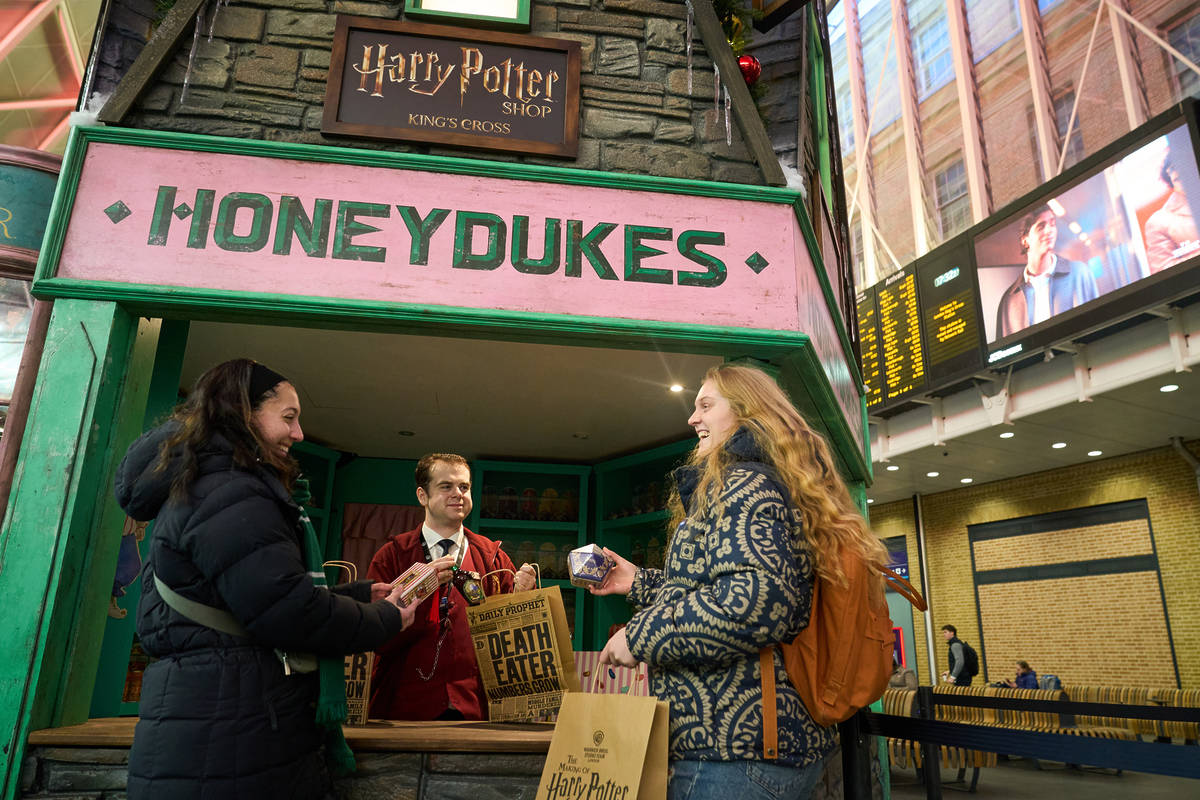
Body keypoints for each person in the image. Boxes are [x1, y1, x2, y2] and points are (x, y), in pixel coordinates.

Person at [114, 358, 420, 800]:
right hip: (233, 740)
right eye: (288, 417)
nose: (297, 434)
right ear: (242, 412)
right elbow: (289, 612)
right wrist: (383, 619)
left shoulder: (205, 486)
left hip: (217, 729)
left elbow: (251, 598)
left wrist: (354, 594)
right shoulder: (231, 491)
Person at [589, 363, 890, 800]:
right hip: (750, 752)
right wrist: (638, 582)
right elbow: (737, 585)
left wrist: (639, 636)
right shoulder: (762, 481)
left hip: (734, 754)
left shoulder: (743, 483)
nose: (693, 418)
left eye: (706, 405)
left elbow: (757, 601)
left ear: (747, 413)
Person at [367, 453, 536, 720]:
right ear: (422, 496)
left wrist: (519, 603)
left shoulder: (494, 558)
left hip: (476, 709)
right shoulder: (392, 555)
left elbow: (510, 647)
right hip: (402, 708)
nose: (457, 494)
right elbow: (375, 638)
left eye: (464, 487)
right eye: (446, 486)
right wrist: (420, 587)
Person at [995, 203, 1100, 338]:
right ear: (1025, 240)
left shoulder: (1080, 273)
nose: (1049, 230)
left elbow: (1099, 325)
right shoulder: (1009, 300)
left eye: (1052, 224)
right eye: (1041, 226)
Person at [1145, 151, 1199, 273]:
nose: (1186, 180)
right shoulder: (1158, 222)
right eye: (1178, 178)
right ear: (1171, 182)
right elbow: (1163, 270)